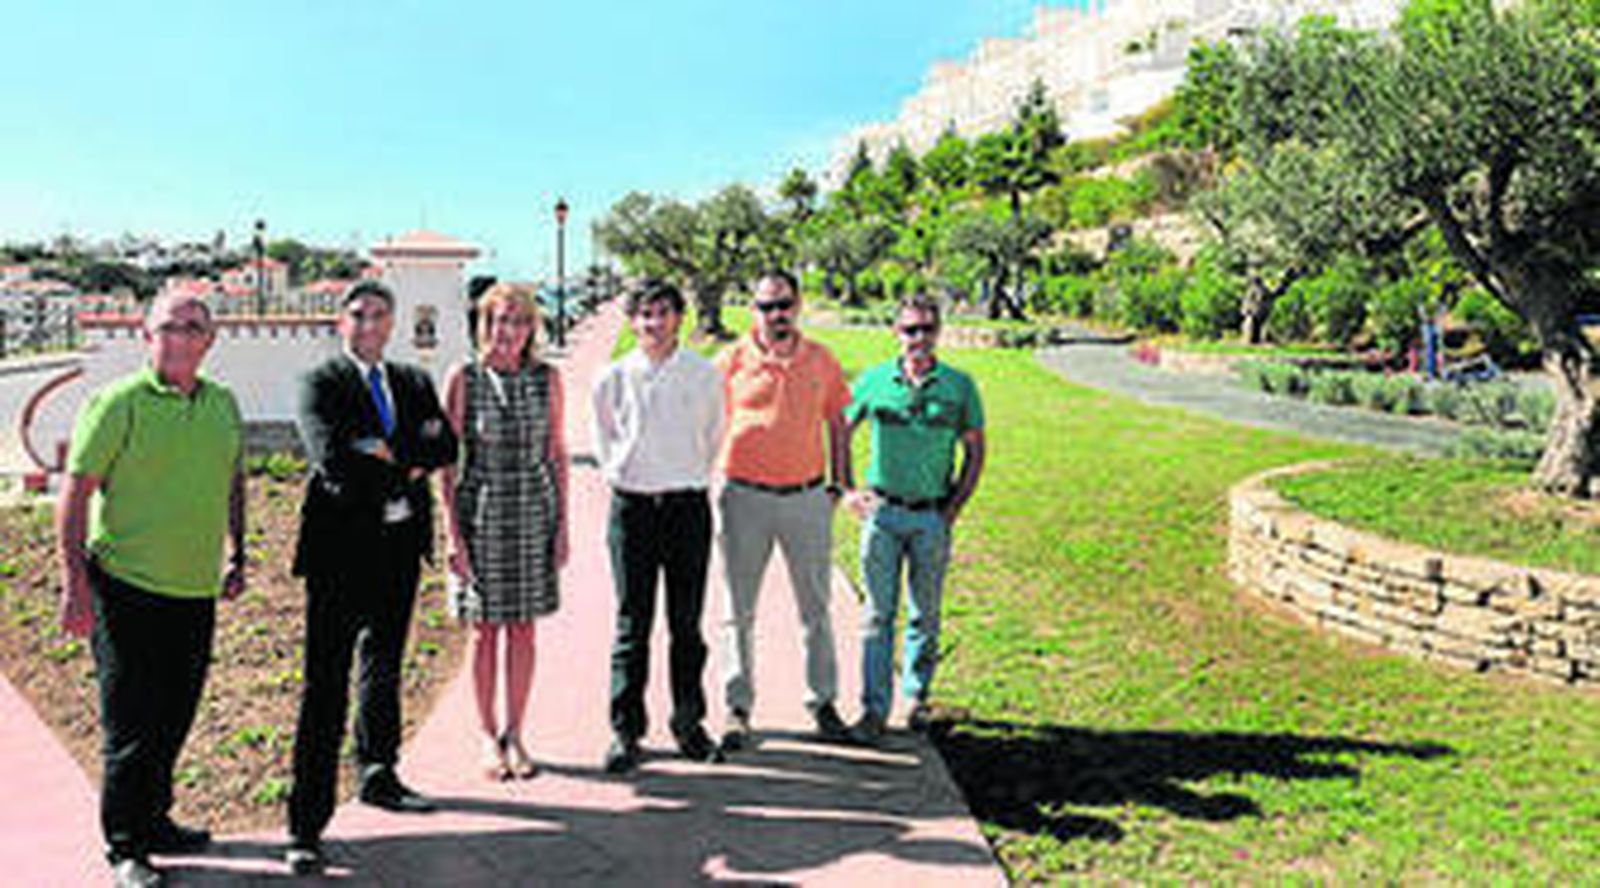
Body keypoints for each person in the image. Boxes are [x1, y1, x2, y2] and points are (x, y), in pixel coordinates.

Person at [56, 293, 246, 888]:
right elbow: (75, 493)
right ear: (147, 334)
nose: (182, 337)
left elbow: (234, 477)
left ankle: (156, 820)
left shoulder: (222, 404)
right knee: (131, 725)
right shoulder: (117, 404)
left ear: (209, 342)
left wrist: (237, 549)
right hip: (124, 588)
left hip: (194, 591)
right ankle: (125, 847)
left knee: (174, 715)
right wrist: (74, 585)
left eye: (194, 328)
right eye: (170, 326)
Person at [284, 281, 458, 875]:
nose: (368, 324)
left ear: (393, 324)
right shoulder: (320, 383)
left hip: (400, 549)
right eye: (358, 314)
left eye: (379, 315)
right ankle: (305, 824)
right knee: (325, 683)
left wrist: (390, 453)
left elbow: (444, 444)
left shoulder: (412, 381)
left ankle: (379, 773)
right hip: (339, 554)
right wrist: (404, 462)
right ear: (342, 322)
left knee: (384, 665)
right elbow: (332, 461)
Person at [715, 269, 852, 751]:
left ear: (798, 305)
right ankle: (737, 707)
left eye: (784, 304)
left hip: (806, 499)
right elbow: (703, 421)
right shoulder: (730, 361)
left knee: (815, 607)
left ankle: (824, 703)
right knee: (738, 609)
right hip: (744, 499)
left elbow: (839, 421)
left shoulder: (821, 360)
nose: (776, 315)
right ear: (753, 309)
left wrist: (841, 484)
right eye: (767, 306)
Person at [591, 281, 725, 774]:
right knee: (632, 624)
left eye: (663, 313)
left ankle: (689, 725)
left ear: (679, 318)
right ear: (632, 321)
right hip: (633, 510)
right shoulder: (613, 377)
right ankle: (626, 731)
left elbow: (713, 435)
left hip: (687, 507)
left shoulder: (704, 374)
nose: (654, 322)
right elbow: (604, 436)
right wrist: (627, 475)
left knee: (686, 625)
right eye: (644, 314)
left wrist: (683, 475)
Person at [840, 294, 985, 744]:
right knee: (878, 615)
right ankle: (873, 711)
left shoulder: (959, 386)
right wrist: (847, 489)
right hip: (882, 515)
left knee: (925, 614)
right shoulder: (874, 381)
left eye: (926, 330)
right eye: (909, 330)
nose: (918, 339)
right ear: (896, 333)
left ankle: (916, 700)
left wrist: (954, 506)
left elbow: (975, 450)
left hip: (930, 517)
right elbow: (840, 431)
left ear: (938, 332)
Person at [439, 283, 568, 781]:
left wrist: (563, 530)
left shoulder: (547, 378)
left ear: (531, 327)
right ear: (484, 323)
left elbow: (557, 454)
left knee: (524, 629)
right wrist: (453, 533)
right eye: (499, 320)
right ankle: (486, 735)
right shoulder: (465, 377)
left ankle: (517, 733)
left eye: (518, 320)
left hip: (533, 510)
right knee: (483, 630)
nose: (508, 331)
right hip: (481, 509)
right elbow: (448, 465)